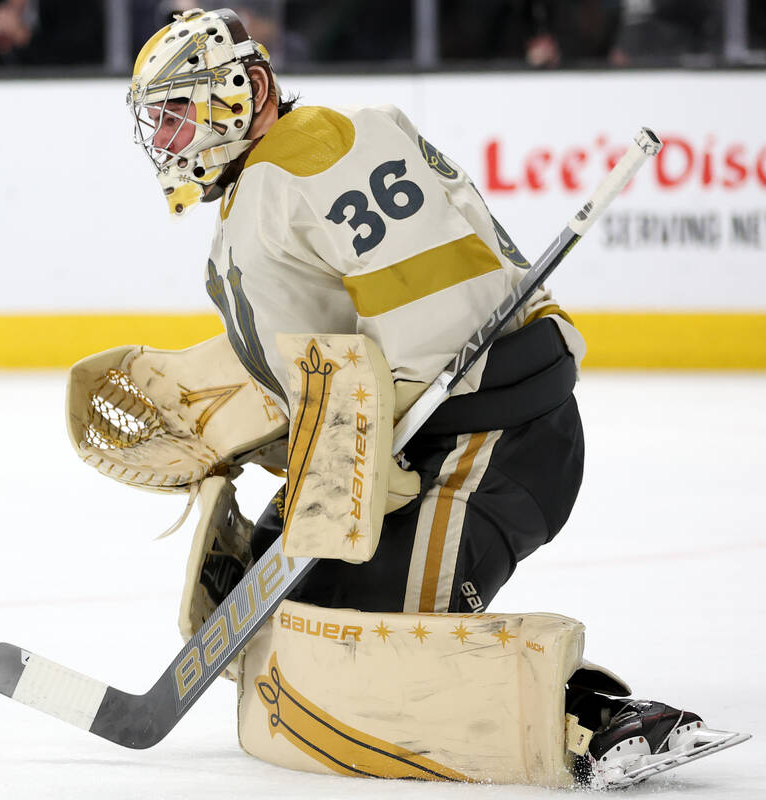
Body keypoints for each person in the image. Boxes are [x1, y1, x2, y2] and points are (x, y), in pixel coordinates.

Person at [121, 6, 745, 788]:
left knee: (366, 639)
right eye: (160, 122)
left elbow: (416, 331)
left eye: (178, 114)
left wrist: (355, 449)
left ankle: (592, 722)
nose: (168, 140)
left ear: (244, 88)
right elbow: (347, 342)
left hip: (491, 443)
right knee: (292, 593)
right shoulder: (317, 154)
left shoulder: (289, 180)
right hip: (453, 427)